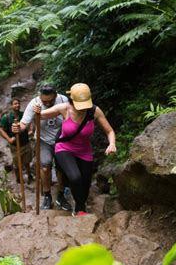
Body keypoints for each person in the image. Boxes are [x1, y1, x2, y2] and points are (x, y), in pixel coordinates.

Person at [33, 83, 116, 216]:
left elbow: (110, 131)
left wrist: (112, 144)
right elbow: (40, 115)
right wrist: (37, 111)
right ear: (71, 100)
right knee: (75, 177)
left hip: (84, 151)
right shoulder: (64, 108)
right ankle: (80, 210)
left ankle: (80, 204)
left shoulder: (94, 111)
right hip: (64, 148)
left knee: (85, 183)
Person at [12, 84, 72, 211]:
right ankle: (47, 195)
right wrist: (18, 128)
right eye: (45, 101)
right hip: (43, 140)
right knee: (45, 166)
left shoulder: (63, 100)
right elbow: (23, 123)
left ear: (56, 95)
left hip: (61, 138)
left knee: (61, 168)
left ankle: (61, 195)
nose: (48, 103)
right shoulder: (34, 103)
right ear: (40, 97)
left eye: (51, 101)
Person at [0, 98, 33, 184]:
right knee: (17, 163)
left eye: (18, 103)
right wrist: (9, 139)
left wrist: (30, 130)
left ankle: (30, 175)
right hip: (15, 146)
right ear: (11, 105)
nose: (17, 105)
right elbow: (1, 130)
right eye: (15, 104)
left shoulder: (24, 115)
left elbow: (30, 122)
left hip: (25, 142)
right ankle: (19, 178)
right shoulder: (6, 118)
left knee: (27, 161)